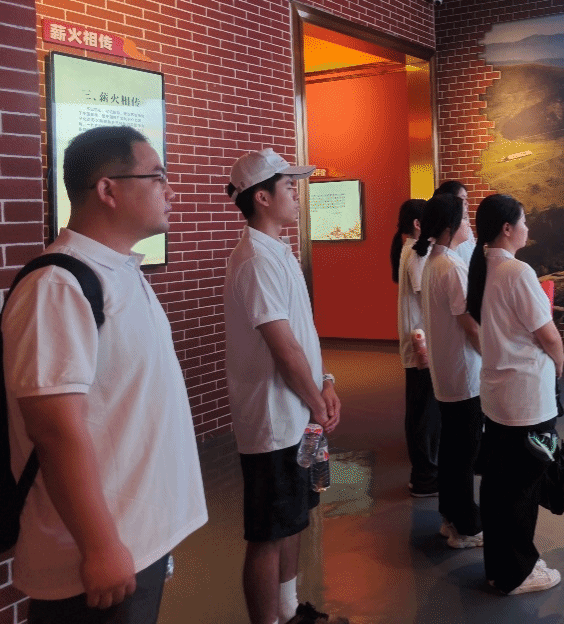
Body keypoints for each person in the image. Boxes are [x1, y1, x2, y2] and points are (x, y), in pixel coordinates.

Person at [2, 126, 207, 623]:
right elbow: (54, 429)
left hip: (136, 537)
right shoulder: (59, 284)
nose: (171, 191)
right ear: (108, 190)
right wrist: (100, 546)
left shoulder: (120, 271)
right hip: (93, 555)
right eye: (157, 177)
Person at [223, 148, 343, 624]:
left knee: (293, 519)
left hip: (298, 414)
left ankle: (290, 610)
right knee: (268, 534)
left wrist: (325, 382)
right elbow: (283, 347)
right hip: (274, 421)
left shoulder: (279, 252)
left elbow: (302, 336)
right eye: (288, 185)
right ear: (262, 197)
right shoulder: (256, 259)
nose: (296, 192)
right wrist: (317, 403)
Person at [465, 194, 564, 595]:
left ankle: (501, 566)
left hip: (499, 396)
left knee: (499, 485)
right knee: (523, 486)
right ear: (507, 228)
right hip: (526, 398)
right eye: (524, 221)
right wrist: (558, 366)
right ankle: (517, 572)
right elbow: (549, 336)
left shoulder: (484, 268)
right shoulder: (517, 271)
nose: (528, 228)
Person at [414, 194, 484, 549]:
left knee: (454, 450)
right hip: (464, 374)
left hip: (447, 373)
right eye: (465, 218)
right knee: (463, 454)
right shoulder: (452, 266)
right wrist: (493, 356)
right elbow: (469, 325)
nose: (469, 224)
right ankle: (465, 528)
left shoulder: (434, 261)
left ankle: (450, 519)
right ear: (449, 227)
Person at [391, 199, 441, 498]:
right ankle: (425, 477)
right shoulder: (417, 254)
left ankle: (423, 475)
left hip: (416, 345)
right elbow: (428, 296)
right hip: (422, 346)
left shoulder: (408, 249)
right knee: (425, 415)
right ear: (418, 224)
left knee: (420, 412)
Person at [433, 180, 475, 265]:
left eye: (466, 199)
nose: (467, 203)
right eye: (462, 198)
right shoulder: (447, 231)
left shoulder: (465, 225)